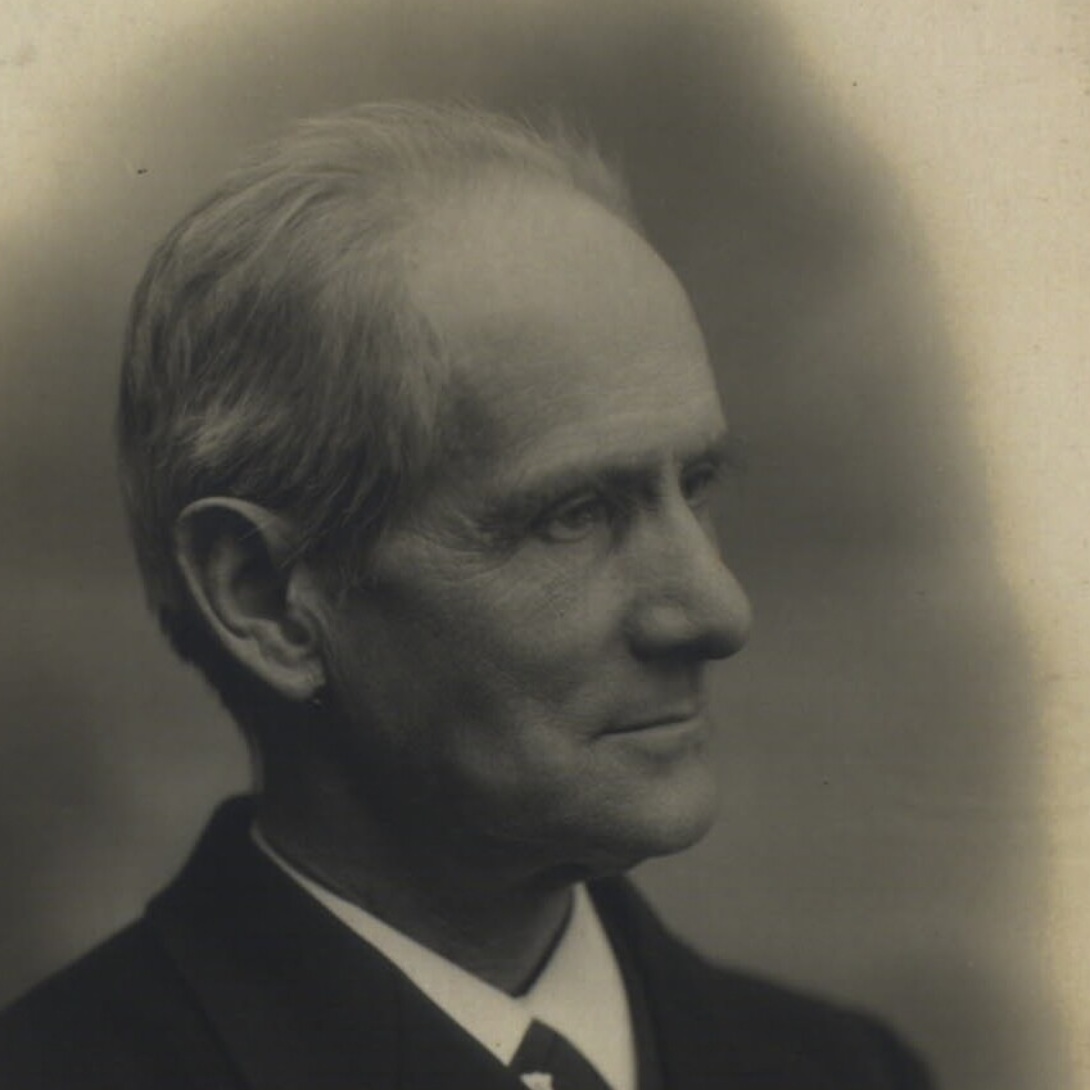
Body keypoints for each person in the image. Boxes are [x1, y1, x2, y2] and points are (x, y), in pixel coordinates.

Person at [0, 102, 932, 1089]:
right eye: (573, 515)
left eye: (695, 485)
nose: (717, 612)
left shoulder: (851, 1072)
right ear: (265, 599)